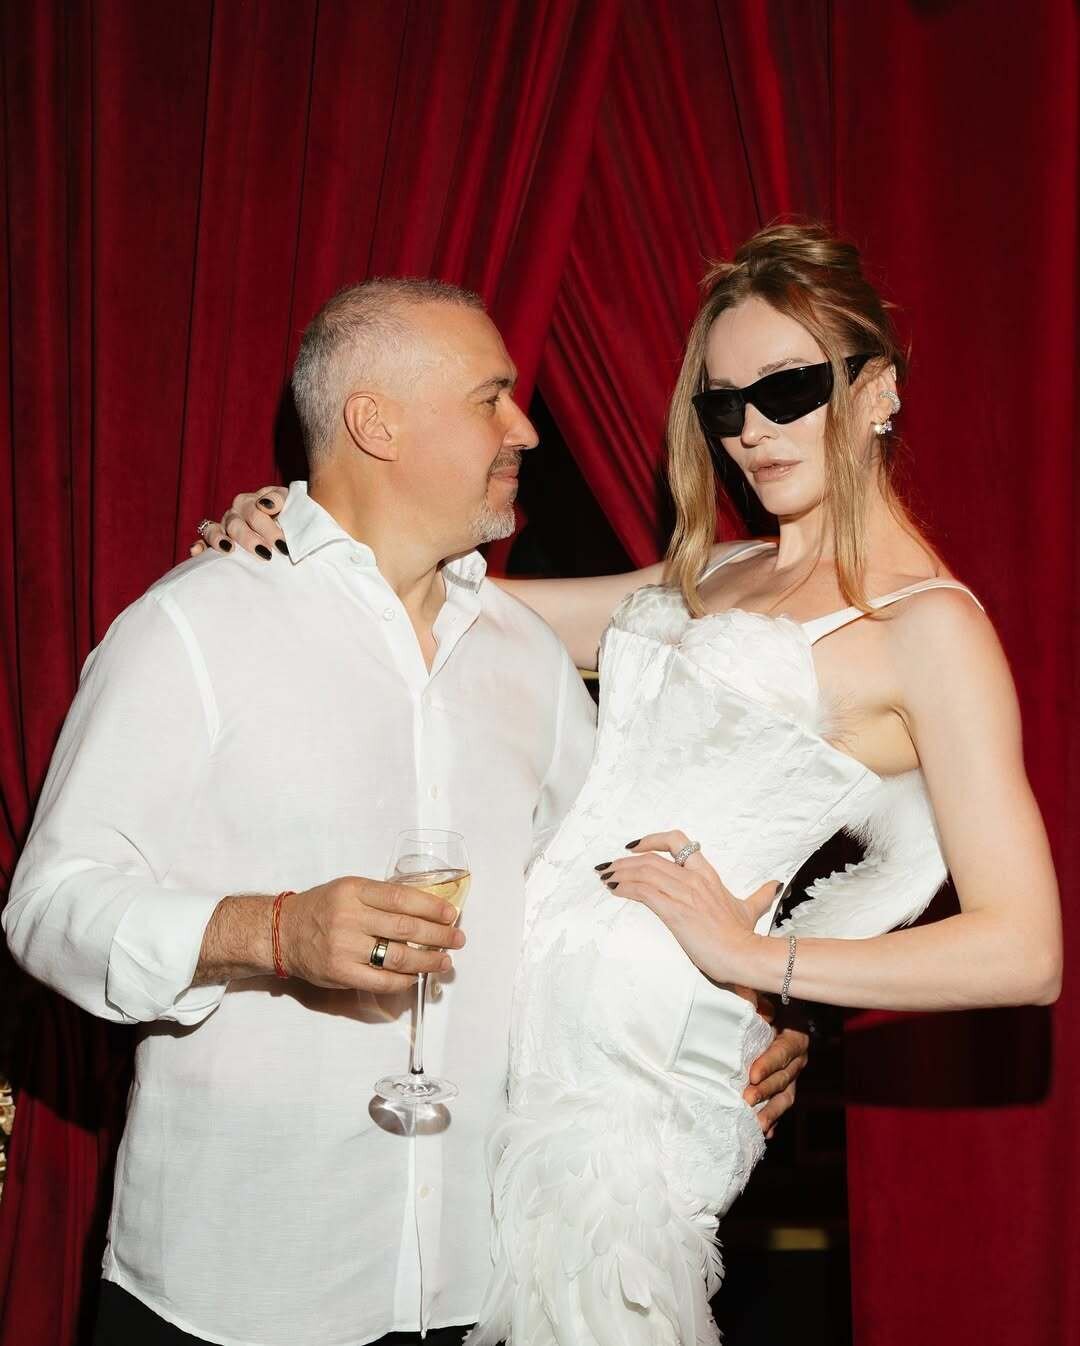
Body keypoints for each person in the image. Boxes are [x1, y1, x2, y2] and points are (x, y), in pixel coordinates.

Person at [206, 224, 1061, 1346]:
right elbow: (468, 602)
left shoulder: (929, 626)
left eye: (789, 389)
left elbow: (1024, 949)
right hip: (517, 1033)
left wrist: (758, 961)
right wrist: (304, 531)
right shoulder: (717, 571)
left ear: (877, 390)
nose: (752, 431)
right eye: (724, 404)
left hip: (641, 1085)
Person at [4, 278, 804, 1346]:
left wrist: (743, 1009)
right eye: (490, 399)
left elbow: (605, 894)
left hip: (478, 1282)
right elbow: (49, 907)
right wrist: (270, 931)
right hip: (237, 1282)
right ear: (375, 423)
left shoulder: (527, 658)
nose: (524, 428)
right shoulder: (194, 627)